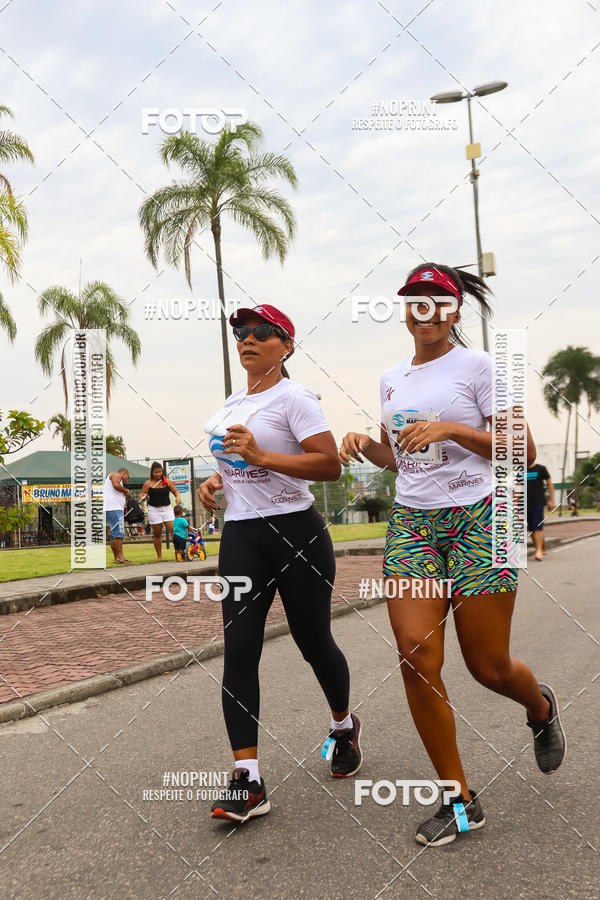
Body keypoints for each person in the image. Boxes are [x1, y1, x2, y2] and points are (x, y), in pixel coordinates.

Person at [340, 264, 566, 847]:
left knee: (487, 667)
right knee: (415, 656)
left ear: (454, 311)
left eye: (437, 301)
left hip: (484, 517)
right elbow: (403, 458)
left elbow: (525, 450)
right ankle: (457, 797)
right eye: (414, 301)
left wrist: (453, 429)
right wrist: (369, 446)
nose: (425, 311)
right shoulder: (391, 378)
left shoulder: (479, 367)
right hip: (414, 523)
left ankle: (539, 706)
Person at [198, 303, 361, 823]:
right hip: (242, 535)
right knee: (239, 649)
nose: (247, 338)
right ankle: (248, 780)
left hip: (295, 531)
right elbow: (239, 465)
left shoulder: (296, 399)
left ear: (285, 346)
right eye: (241, 332)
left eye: (262, 332)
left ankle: (342, 726)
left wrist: (263, 458)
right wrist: (217, 482)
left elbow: (329, 464)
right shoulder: (231, 404)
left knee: (313, 641)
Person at [139, 463, 182, 561]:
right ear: (152, 472)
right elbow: (143, 496)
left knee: (174, 531)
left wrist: (178, 497)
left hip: (167, 509)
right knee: (157, 533)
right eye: (156, 472)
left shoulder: (167, 482)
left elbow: (176, 491)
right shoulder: (148, 483)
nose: (158, 474)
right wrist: (142, 497)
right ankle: (159, 556)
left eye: (160, 472)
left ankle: (178, 553)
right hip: (154, 510)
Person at [526, 463, 555, 560]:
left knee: (538, 525)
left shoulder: (541, 468)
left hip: (539, 501)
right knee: (531, 528)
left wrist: (551, 500)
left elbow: (550, 484)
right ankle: (542, 548)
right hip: (526, 503)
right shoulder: (520, 469)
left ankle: (538, 551)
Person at [105, 468, 131, 564]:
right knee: (118, 533)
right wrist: (126, 491)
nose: (126, 480)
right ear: (124, 473)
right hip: (114, 509)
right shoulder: (116, 475)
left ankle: (117, 557)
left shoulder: (114, 477)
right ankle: (120, 557)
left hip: (111, 509)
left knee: (114, 534)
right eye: (127, 478)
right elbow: (116, 485)